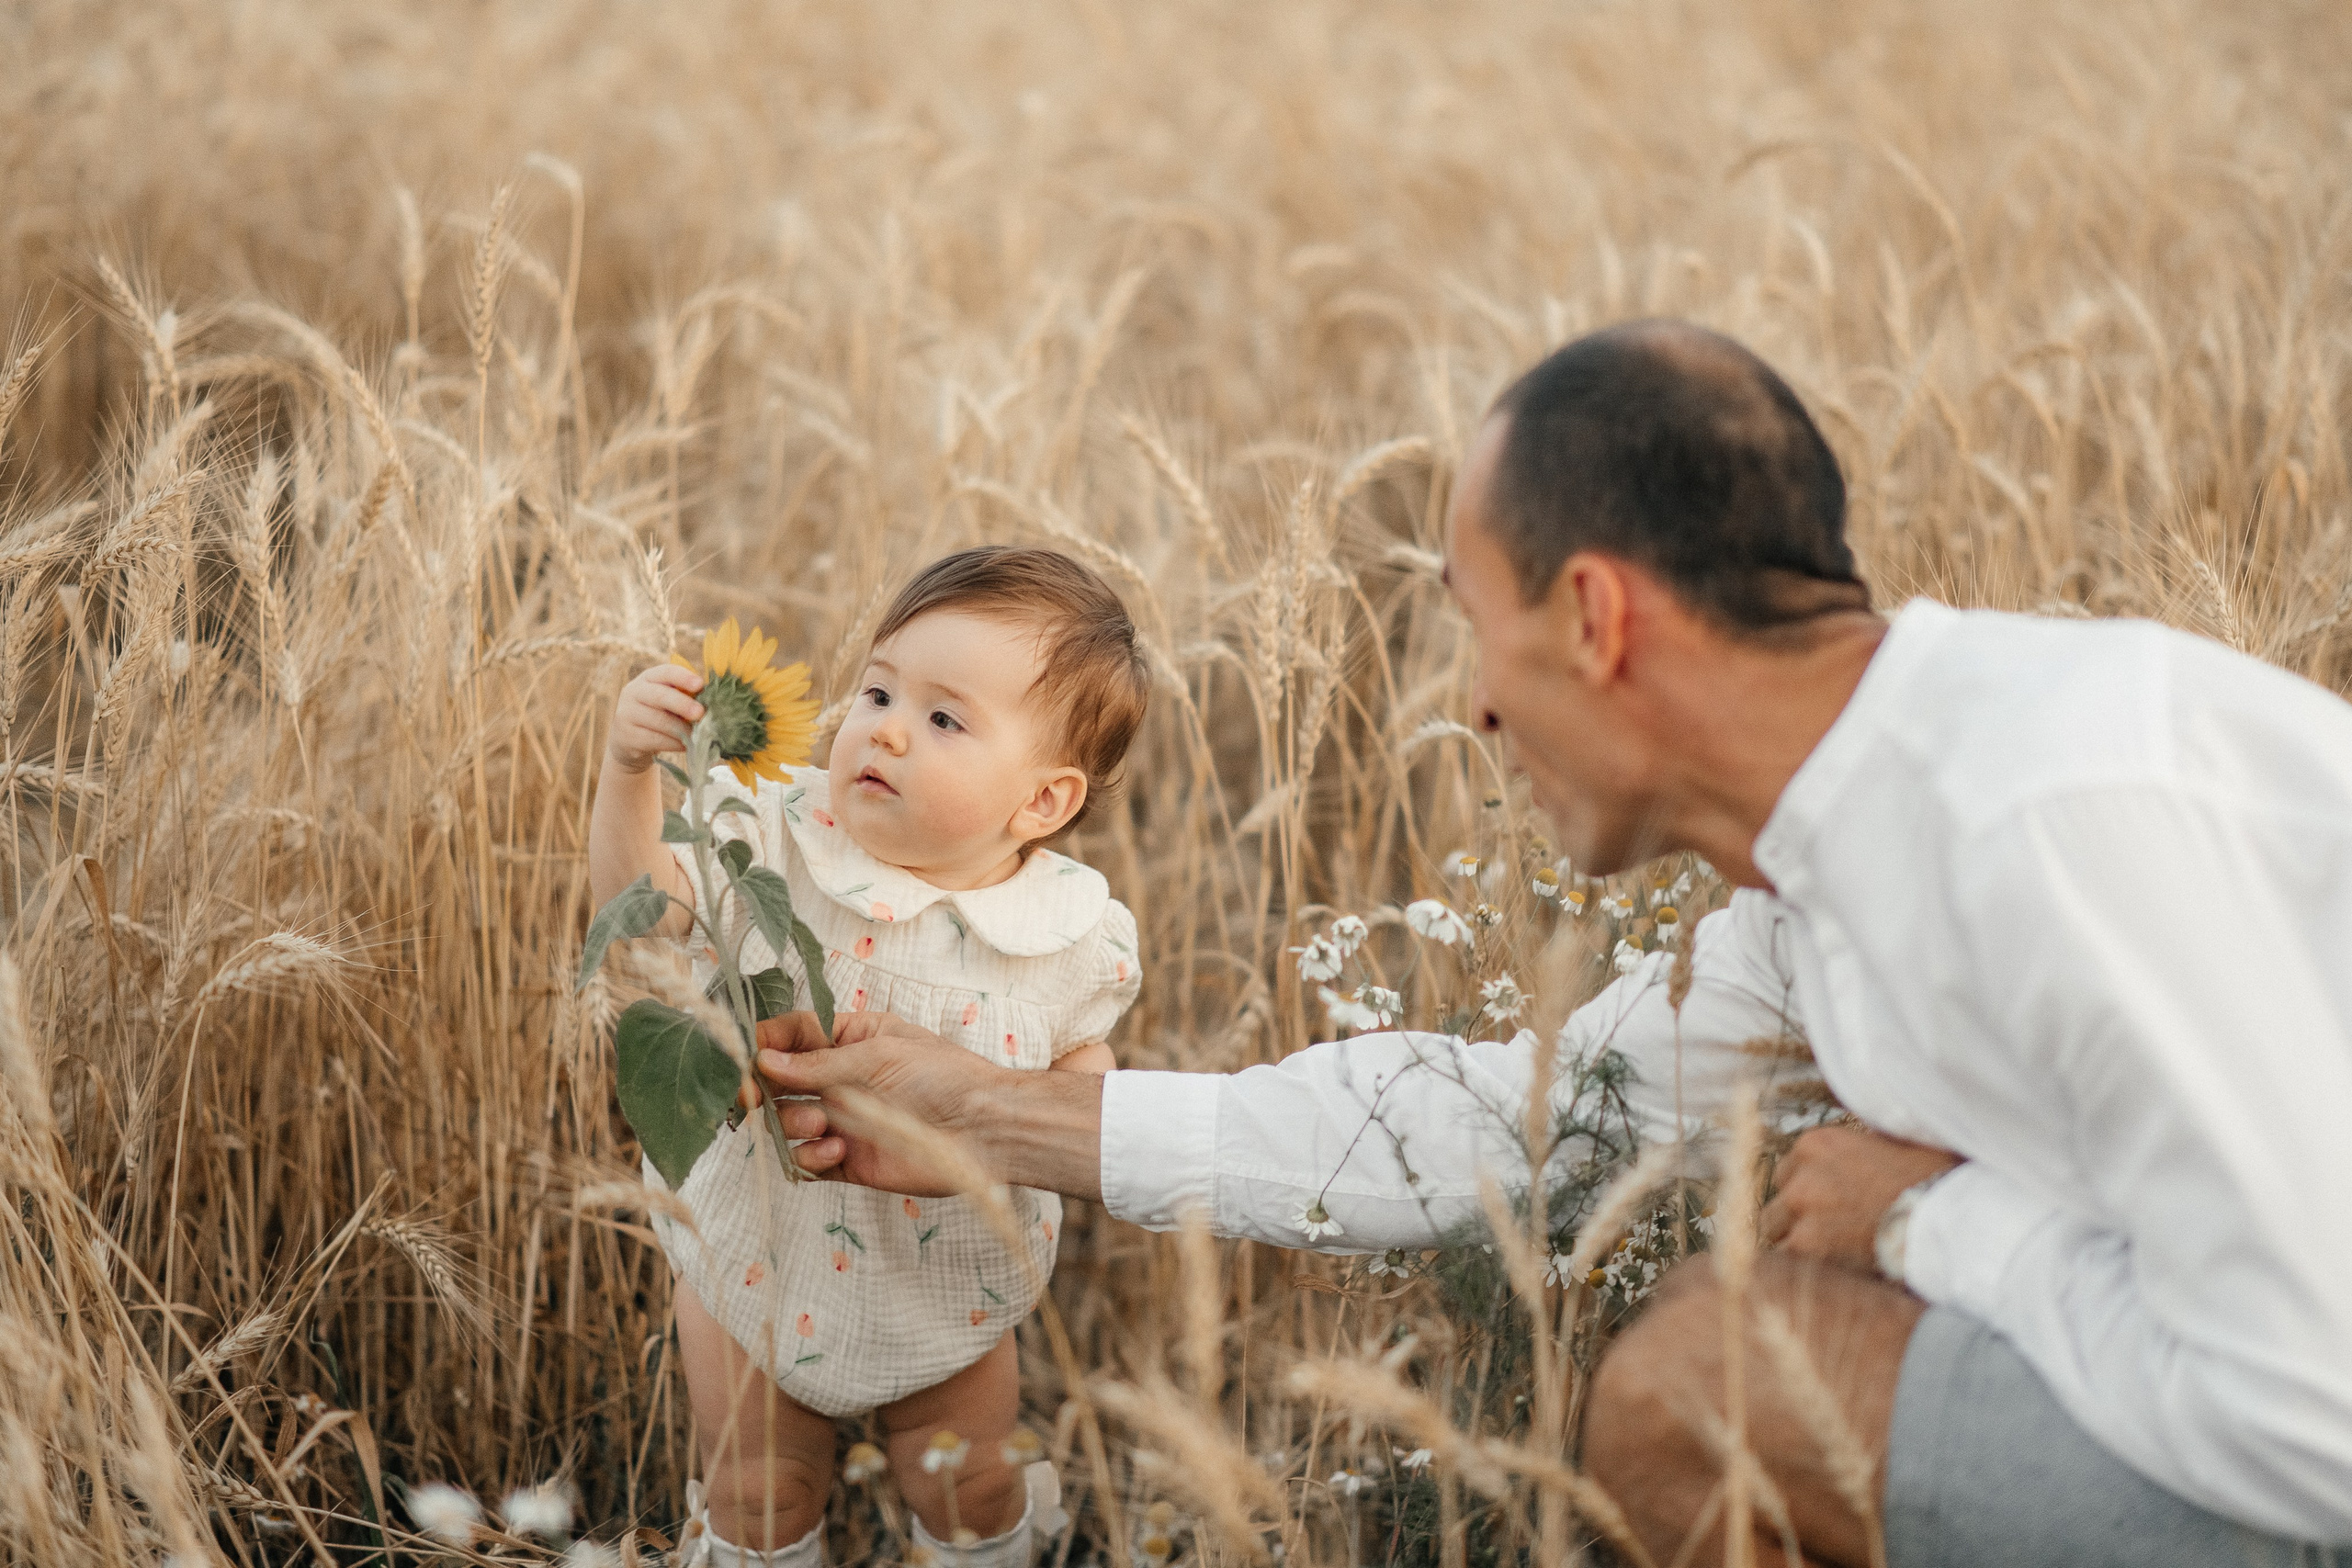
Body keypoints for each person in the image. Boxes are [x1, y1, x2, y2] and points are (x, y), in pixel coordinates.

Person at [752, 321, 2352, 1567]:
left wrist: (1937, 1224)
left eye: (1473, 617)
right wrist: (980, 1111)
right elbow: (1505, 1136)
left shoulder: (2046, 821)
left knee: (1712, 1382)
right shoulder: (1818, 884)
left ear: (1595, 619)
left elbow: (2309, 1414)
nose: (1470, 701)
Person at [588, 547, 1150, 1568]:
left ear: (1041, 803)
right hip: (760, 1242)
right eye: (877, 688)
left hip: (953, 1271)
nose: (884, 725)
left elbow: (1083, 1075)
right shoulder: (777, 837)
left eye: (943, 719)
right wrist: (629, 771)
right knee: (761, 1489)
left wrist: (1016, 1129)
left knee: (969, 1484)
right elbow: (646, 915)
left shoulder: (1065, 931)